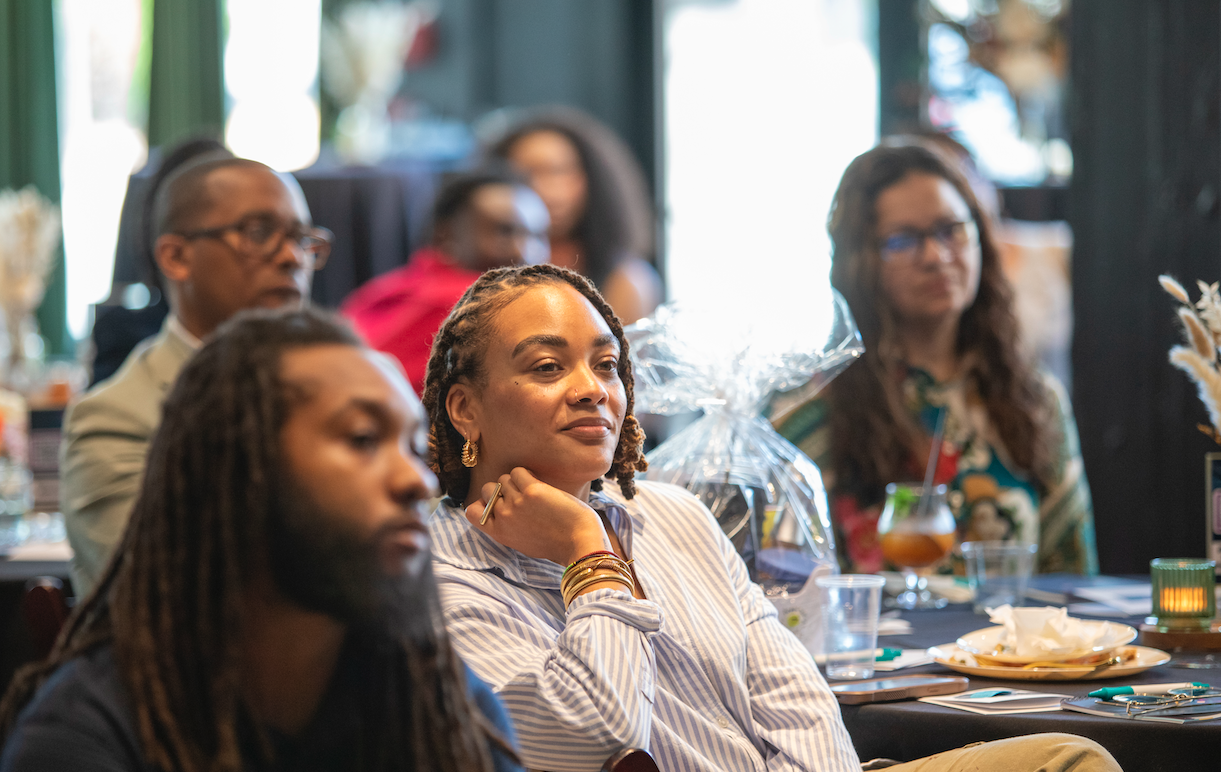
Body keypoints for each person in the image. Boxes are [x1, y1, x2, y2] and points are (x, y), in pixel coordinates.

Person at [420, 264, 1119, 772]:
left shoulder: (672, 514)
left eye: (606, 365)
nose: (591, 392)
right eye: (547, 367)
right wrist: (586, 554)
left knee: (1069, 759)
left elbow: (794, 696)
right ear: (464, 408)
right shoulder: (443, 577)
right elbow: (593, 734)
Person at [0, 308, 521, 772]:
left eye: (412, 448)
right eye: (363, 439)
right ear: (240, 473)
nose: (417, 481)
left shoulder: (442, 707)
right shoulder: (87, 736)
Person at [769, 139, 1097, 575]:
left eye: (951, 229)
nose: (936, 256)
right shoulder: (813, 411)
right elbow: (790, 596)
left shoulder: (1034, 399)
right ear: (861, 261)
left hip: (1014, 643)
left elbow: (1073, 580)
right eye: (904, 240)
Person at [61, 155, 331, 597]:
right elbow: (169, 597)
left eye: (302, 239)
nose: (290, 257)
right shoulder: (115, 420)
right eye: (258, 233)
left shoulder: (339, 385)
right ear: (176, 256)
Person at [341, 167, 549, 394]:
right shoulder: (477, 305)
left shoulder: (384, 288)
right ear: (446, 235)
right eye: (504, 232)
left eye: (538, 235)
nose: (527, 252)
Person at [487, 107, 662, 324]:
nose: (549, 189)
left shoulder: (627, 281)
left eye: (560, 171)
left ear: (591, 178)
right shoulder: (481, 272)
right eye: (529, 174)